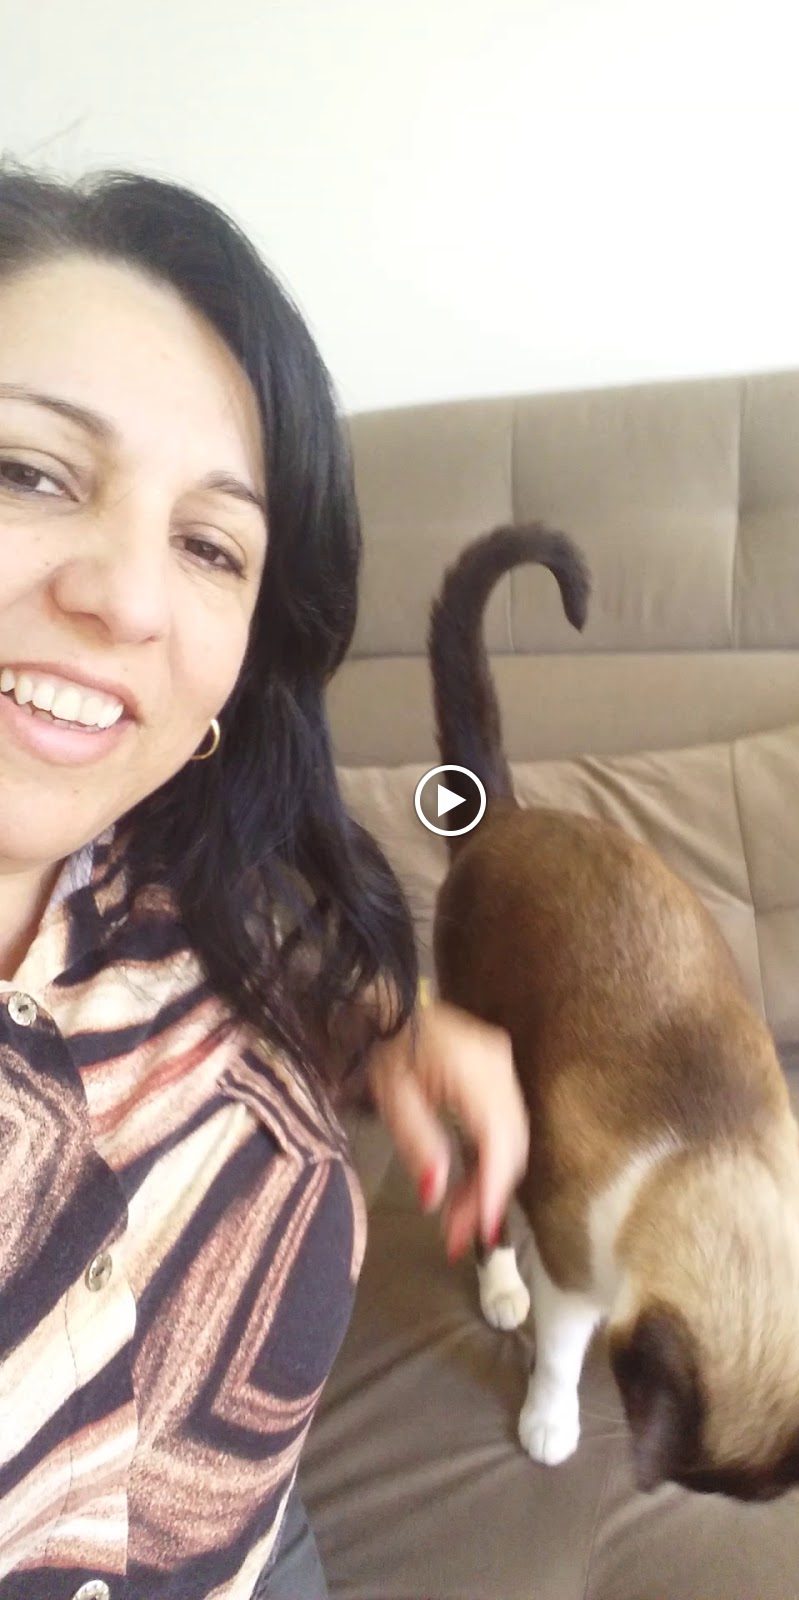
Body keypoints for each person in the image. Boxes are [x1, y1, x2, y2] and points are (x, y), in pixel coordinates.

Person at [0, 164, 528, 1599]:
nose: (128, 597)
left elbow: (257, 947)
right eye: (31, 471)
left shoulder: (155, 855)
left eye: (208, 544)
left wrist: (384, 1021)